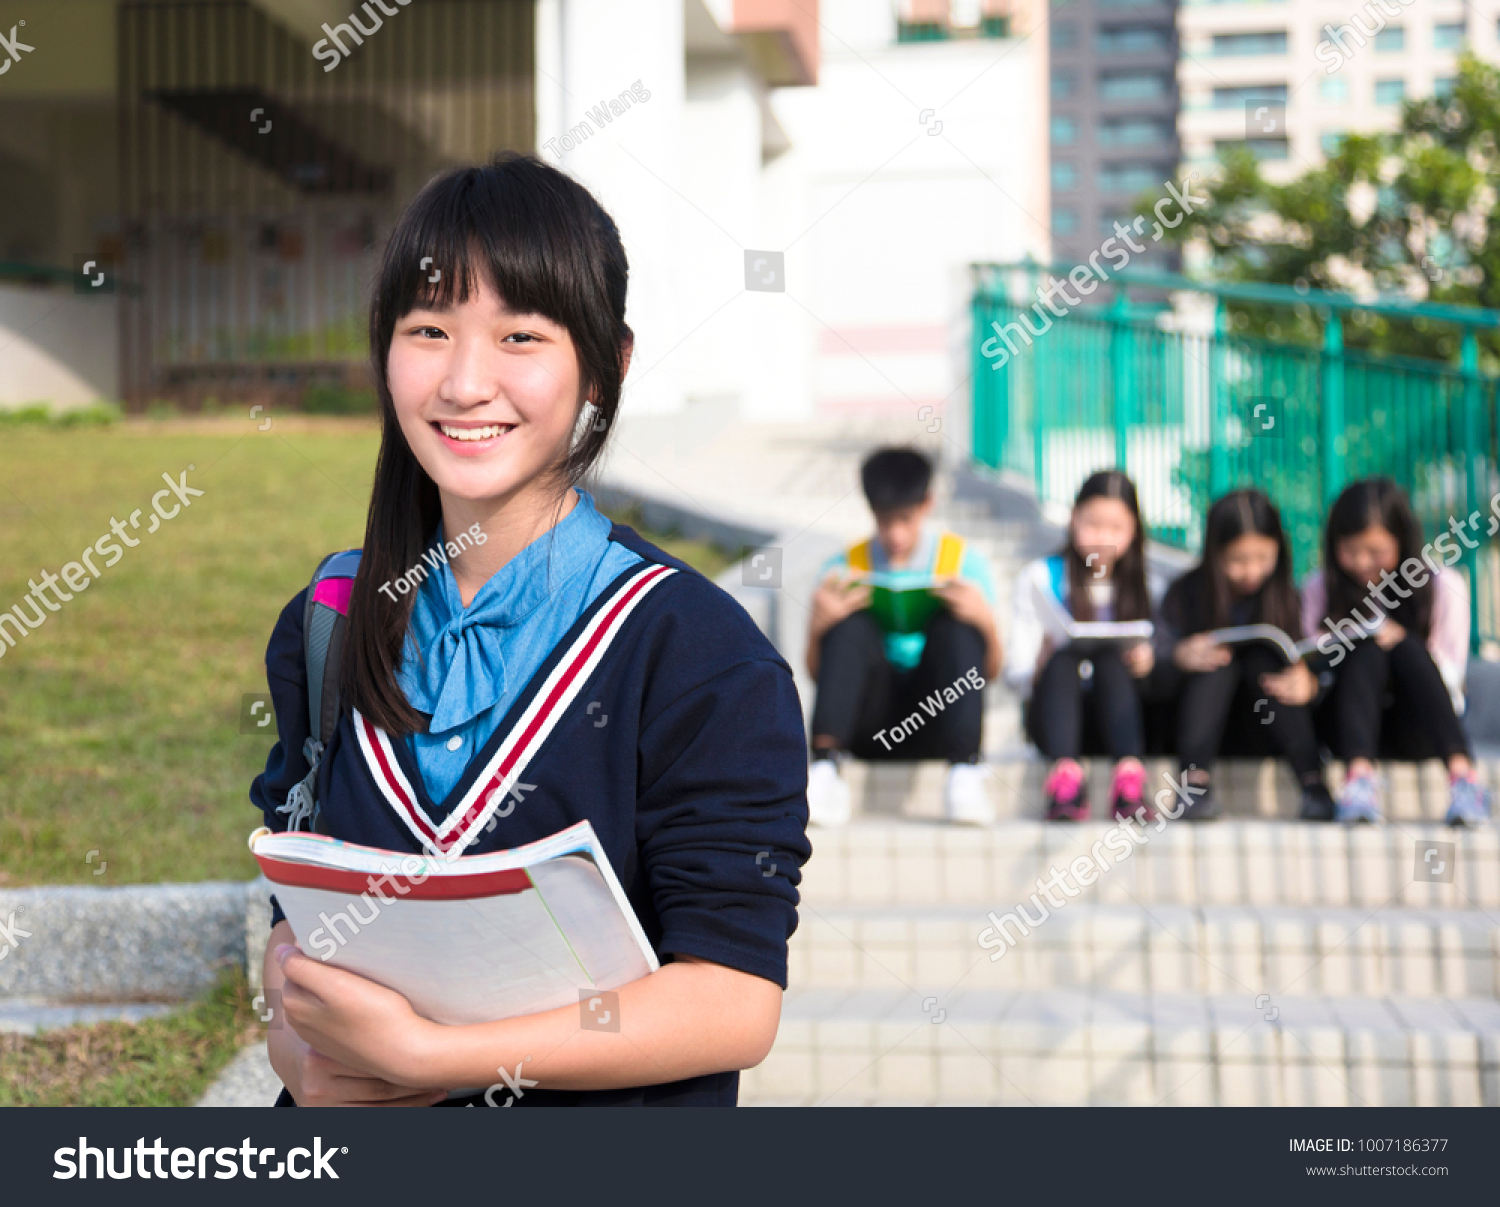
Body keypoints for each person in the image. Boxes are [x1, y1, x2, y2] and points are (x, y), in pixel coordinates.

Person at [249, 154, 811, 1107]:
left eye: (520, 336)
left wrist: (433, 1060)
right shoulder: (328, 621)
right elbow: (296, 924)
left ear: (606, 363)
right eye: (428, 329)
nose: (466, 382)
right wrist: (303, 1065)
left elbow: (732, 999)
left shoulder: (698, 654)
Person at [804, 447, 1002, 827]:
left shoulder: (965, 564)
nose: (895, 534)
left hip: (937, 719)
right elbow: (816, 672)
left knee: (958, 627)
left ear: (927, 503)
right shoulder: (843, 568)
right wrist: (818, 627)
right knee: (850, 626)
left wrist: (985, 623)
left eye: (905, 519)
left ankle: (965, 771)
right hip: (870, 723)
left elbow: (989, 673)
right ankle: (826, 768)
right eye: (884, 520)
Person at [1304, 477, 1490, 826]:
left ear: (1402, 540)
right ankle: (1358, 779)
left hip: (1418, 727)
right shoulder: (1319, 587)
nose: (1361, 562)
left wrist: (1400, 642)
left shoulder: (1441, 586)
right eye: (1350, 550)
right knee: (1365, 648)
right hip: (1346, 726)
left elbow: (1450, 675)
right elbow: (1309, 656)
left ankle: (1464, 779)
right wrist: (1359, 636)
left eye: (1375, 552)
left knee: (1402, 645)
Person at [1155, 489, 1334, 821]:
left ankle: (1312, 783)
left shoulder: (1289, 598)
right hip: (1200, 729)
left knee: (1265, 659)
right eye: (1238, 560)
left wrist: (1309, 683)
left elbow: (1317, 660)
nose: (1251, 571)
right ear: (1214, 553)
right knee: (1216, 661)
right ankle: (1193, 784)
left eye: (1263, 558)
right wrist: (1179, 656)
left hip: (1266, 723)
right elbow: (1154, 674)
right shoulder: (1184, 595)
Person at [1004, 470, 1156, 822]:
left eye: (1115, 528)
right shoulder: (1040, 577)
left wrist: (1146, 661)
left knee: (1109, 661)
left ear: (1134, 531)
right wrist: (1036, 666)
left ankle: (1129, 780)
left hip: (1121, 720)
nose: (1102, 538)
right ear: (1073, 520)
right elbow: (1015, 674)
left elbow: (1164, 659)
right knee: (1064, 658)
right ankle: (1065, 781)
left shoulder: (1150, 586)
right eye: (1092, 524)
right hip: (1057, 720)